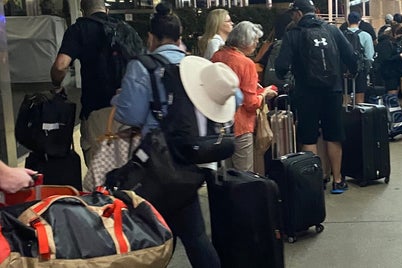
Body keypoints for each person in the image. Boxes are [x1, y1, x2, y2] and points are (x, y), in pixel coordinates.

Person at [111, 4, 224, 267]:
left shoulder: (142, 67)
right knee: (192, 234)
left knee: (149, 232)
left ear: (151, 37)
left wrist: (119, 96)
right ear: (180, 35)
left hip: (155, 163)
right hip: (190, 157)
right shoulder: (194, 65)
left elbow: (130, 116)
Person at [275, 0, 357, 194]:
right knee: (334, 135)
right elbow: (351, 57)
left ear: (298, 14)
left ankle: (314, 183)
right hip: (333, 91)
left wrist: (288, 78)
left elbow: (281, 67)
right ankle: (338, 181)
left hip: (306, 93)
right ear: (315, 12)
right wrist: (350, 73)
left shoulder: (293, 35)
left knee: (309, 136)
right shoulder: (332, 31)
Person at [50, 0, 129, 164]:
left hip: (97, 111)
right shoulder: (123, 28)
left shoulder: (79, 29)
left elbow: (60, 66)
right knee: (126, 170)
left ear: (82, 11)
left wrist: (57, 85)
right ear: (106, 9)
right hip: (127, 110)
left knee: (99, 174)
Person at [211, 21, 277, 172]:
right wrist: (265, 93)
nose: (256, 44)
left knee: (225, 173)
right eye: (255, 41)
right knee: (243, 174)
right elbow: (251, 103)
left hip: (219, 122)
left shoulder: (217, 56)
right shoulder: (246, 63)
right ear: (244, 41)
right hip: (241, 125)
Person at [344, 11, 374, 104]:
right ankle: (357, 117)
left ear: (348, 21)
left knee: (345, 100)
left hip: (344, 71)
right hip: (360, 71)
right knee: (360, 101)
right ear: (359, 22)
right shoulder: (366, 36)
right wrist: (367, 70)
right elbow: (369, 56)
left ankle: (345, 117)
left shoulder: (341, 35)